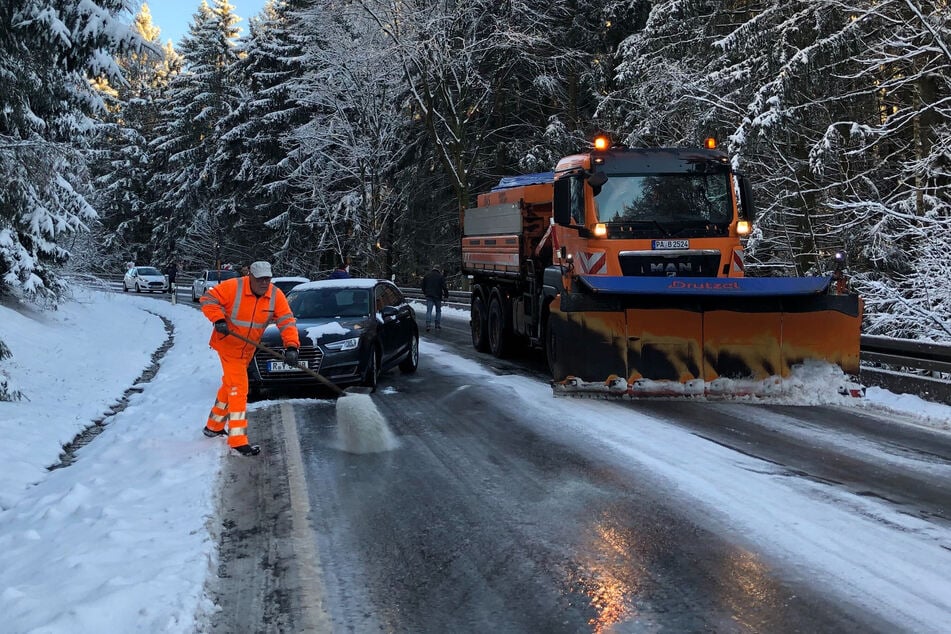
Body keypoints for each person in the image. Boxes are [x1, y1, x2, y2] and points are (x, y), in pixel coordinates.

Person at [199, 260, 300, 456]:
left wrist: (291, 346)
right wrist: (218, 319)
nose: (264, 283)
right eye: (260, 279)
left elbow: (286, 321)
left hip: (248, 349)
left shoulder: (275, 295)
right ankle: (237, 440)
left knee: (229, 385)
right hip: (228, 345)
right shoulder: (233, 287)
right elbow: (208, 299)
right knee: (239, 388)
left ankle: (213, 426)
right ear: (250, 277)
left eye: (267, 279)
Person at [421, 263, 449, 332]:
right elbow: (444, 287)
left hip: (429, 296)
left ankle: (428, 325)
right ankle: (437, 325)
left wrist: (425, 293)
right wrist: (446, 296)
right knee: (438, 311)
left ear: (433, 268)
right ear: (439, 269)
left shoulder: (427, 275)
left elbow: (422, 285)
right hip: (438, 296)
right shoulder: (440, 277)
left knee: (429, 311)